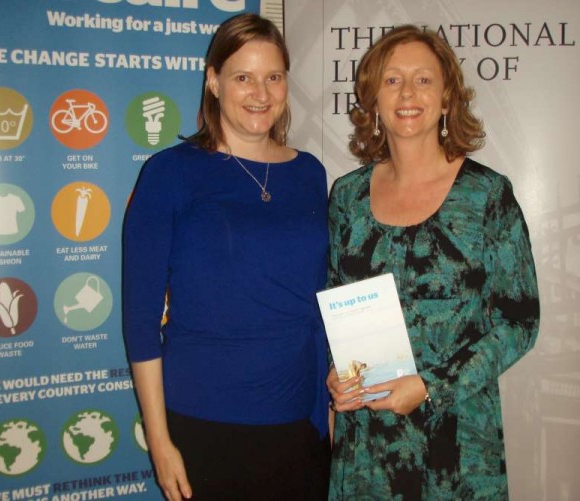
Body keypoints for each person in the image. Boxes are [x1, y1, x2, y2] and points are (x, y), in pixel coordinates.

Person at [326, 25, 540, 500]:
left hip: (458, 445)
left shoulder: (487, 195)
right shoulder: (347, 197)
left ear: (447, 99)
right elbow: (337, 310)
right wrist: (338, 375)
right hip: (368, 446)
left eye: (423, 80)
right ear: (373, 99)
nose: (407, 93)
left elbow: (519, 321)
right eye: (392, 80)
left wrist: (429, 386)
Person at [123, 13, 330, 501]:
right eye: (243, 77)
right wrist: (159, 441)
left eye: (273, 77)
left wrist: (329, 411)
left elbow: (318, 301)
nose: (261, 93)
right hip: (205, 426)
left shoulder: (310, 174)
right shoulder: (168, 174)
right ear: (213, 81)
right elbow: (139, 320)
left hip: (300, 423)